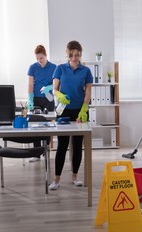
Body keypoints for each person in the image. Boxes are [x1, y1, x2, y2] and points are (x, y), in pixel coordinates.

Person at [48, 40, 92, 190]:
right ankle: (57, 179)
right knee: (62, 145)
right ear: (67, 54)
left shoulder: (86, 71)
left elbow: (88, 92)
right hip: (64, 111)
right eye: (72, 55)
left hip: (79, 111)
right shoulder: (60, 69)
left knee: (77, 145)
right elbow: (54, 89)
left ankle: (75, 176)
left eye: (77, 55)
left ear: (80, 55)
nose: (74, 58)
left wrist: (83, 110)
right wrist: (59, 94)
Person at [27, 45, 56, 162]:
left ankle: (46, 149)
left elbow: (57, 84)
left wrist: (48, 87)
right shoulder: (32, 67)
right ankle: (36, 153)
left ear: (46, 56)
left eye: (41, 58)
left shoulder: (54, 67)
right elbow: (30, 85)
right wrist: (30, 99)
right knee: (35, 126)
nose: (39, 61)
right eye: (37, 58)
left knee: (48, 125)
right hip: (36, 99)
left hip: (48, 98)